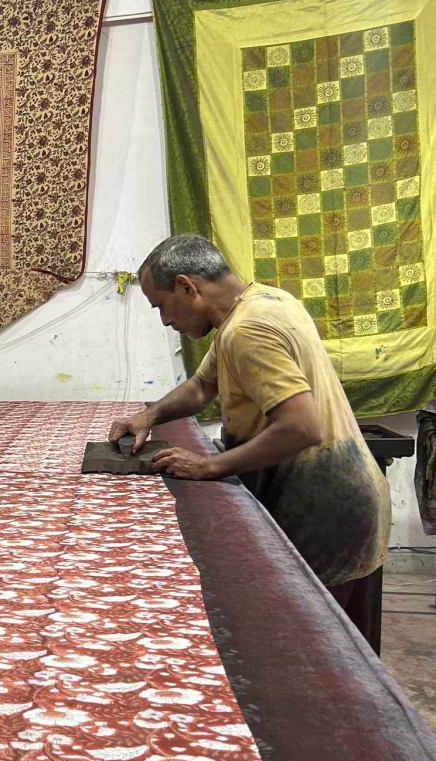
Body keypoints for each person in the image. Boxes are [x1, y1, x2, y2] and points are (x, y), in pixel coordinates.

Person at [110, 234, 391, 642]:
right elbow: (203, 386)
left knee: (318, 653)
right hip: (347, 495)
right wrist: (149, 415)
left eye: (162, 307)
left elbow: (301, 426)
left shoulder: (248, 330)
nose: (165, 321)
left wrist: (208, 466)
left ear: (188, 287)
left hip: (325, 506)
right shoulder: (263, 304)